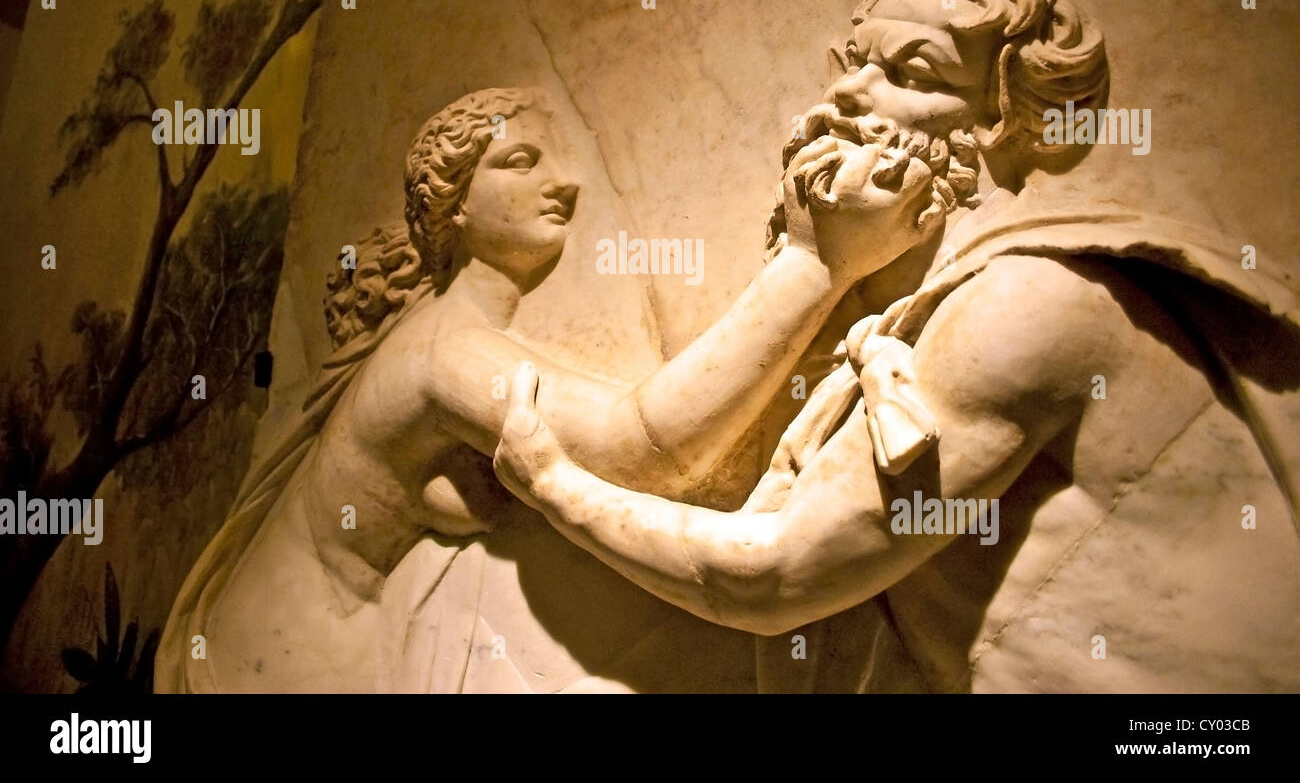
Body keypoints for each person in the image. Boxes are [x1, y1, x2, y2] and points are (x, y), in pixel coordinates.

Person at [492, 0, 1300, 693]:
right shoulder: (902, 320)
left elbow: (772, 576)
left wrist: (553, 484)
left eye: (911, 75)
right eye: (855, 63)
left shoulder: (1026, 306)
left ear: (1000, 127)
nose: (849, 93)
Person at [157, 83, 943, 692]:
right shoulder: (441, 353)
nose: (564, 185)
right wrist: (817, 260)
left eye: (557, 162)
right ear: (454, 205)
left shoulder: (462, 336)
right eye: (521, 161)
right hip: (280, 665)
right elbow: (646, 451)